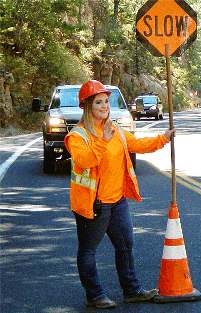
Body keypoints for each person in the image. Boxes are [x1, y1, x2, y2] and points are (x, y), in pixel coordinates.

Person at [64, 80, 176, 309]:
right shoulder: (77, 136)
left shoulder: (114, 130)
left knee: (125, 246)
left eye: (106, 102)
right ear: (87, 106)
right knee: (88, 251)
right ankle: (95, 296)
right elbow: (84, 161)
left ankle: (132, 291)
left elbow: (136, 144)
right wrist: (103, 141)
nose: (105, 106)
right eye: (99, 102)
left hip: (117, 201)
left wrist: (163, 138)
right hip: (93, 205)